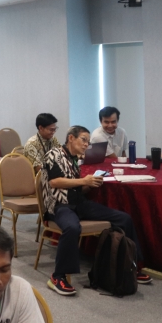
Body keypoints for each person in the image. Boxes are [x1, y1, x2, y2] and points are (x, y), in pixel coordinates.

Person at [40, 126, 151, 296]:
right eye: (83, 140)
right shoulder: (54, 154)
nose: (86, 144)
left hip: (79, 203)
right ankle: (58, 276)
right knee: (72, 227)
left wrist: (90, 184)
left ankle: (131, 266)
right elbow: (54, 182)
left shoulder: (75, 159)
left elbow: (77, 187)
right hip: (59, 205)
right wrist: (83, 181)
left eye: (88, 141)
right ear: (71, 138)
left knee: (124, 218)